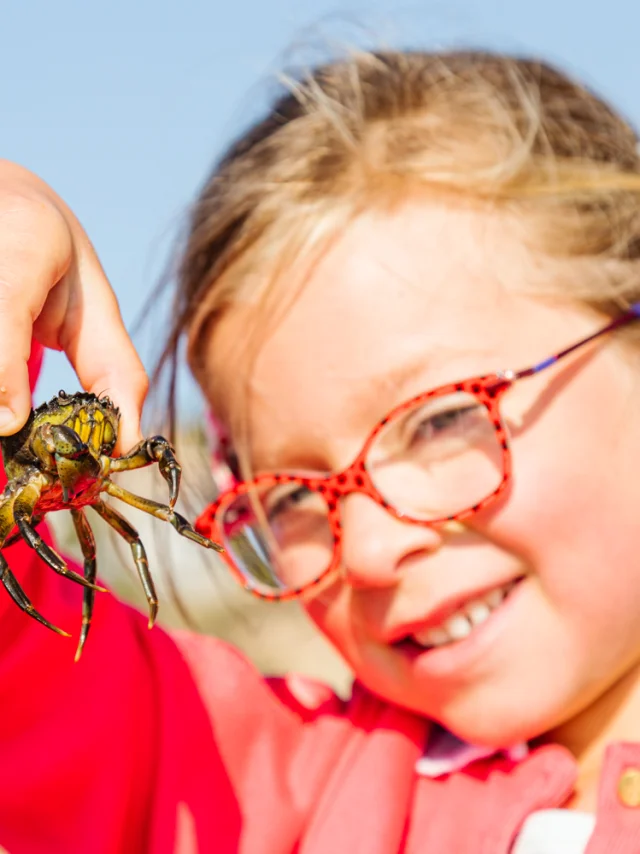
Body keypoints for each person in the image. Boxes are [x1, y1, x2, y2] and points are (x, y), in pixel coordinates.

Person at [1, 48, 640, 854]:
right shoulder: (275, 794)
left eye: (439, 421)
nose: (368, 553)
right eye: (290, 497)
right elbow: (26, 682)